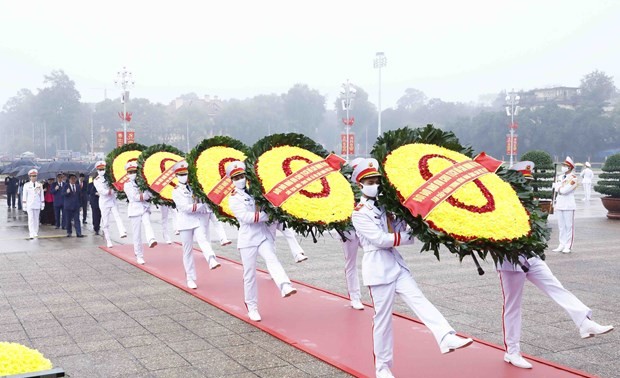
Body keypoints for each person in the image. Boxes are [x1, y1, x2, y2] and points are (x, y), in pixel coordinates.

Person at [350, 158, 472, 378]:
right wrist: (407, 236)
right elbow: (379, 239)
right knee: (383, 320)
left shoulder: (386, 206)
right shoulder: (359, 212)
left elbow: (395, 227)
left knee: (420, 300)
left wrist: (409, 216)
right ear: (360, 185)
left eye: (376, 180)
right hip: (377, 268)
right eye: (369, 181)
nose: (374, 184)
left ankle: (445, 336)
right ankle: (382, 368)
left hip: (395, 264)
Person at [498, 161, 614, 369]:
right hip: (511, 262)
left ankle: (584, 322)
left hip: (531, 255)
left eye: (528, 181)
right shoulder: (500, 202)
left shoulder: (527, 200)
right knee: (513, 306)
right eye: (522, 181)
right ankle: (512, 351)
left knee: (556, 286)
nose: (526, 185)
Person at [227, 160, 297, 322]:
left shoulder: (255, 192)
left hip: (262, 235)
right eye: (236, 177)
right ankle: (252, 307)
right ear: (232, 180)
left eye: (242, 175)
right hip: (247, 239)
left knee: (272, 259)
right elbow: (246, 218)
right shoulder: (234, 198)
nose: (240, 179)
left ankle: (285, 285)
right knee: (249, 274)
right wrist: (268, 215)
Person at [171, 161, 221, 289]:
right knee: (187, 251)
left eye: (185, 174)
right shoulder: (176, 191)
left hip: (196, 220)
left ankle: (211, 259)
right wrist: (201, 206)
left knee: (203, 239)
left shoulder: (194, 187)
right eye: (181, 174)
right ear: (176, 176)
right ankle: (190, 278)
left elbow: (200, 199)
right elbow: (184, 208)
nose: (184, 176)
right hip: (185, 223)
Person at [123, 159, 157, 264]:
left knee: (147, 223)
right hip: (134, 210)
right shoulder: (127, 185)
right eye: (130, 172)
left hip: (144, 207)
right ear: (127, 173)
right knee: (137, 234)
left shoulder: (142, 182)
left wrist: (150, 193)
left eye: (134, 172)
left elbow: (148, 192)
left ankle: (151, 239)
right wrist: (147, 195)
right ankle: (139, 255)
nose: (132, 174)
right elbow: (135, 197)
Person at [92, 161, 128, 247]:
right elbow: (102, 191)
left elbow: (116, 184)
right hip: (104, 202)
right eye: (100, 169)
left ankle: (122, 231)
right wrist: (112, 191)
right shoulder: (96, 180)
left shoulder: (109, 177)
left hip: (112, 200)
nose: (102, 171)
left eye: (103, 169)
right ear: (97, 170)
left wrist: (116, 189)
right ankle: (108, 240)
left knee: (117, 215)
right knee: (106, 222)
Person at [552, 156, 578, 253]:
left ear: (570, 167)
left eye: (565, 166)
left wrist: (557, 187)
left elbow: (564, 190)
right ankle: (561, 244)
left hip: (568, 205)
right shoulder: (559, 177)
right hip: (560, 203)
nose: (563, 167)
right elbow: (559, 189)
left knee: (568, 226)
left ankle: (568, 245)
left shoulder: (573, 178)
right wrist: (558, 188)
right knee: (561, 226)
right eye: (563, 165)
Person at [22, 169, 44, 239]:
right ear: (30, 177)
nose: (34, 177)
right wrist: (24, 204)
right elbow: (24, 195)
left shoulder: (39, 185)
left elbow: (41, 195)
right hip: (30, 204)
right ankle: (31, 232)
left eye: (35, 176)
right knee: (31, 219)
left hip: (37, 204)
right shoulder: (26, 185)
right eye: (32, 176)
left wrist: (42, 203)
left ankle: (35, 232)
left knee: (36, 219)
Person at [63, 174, 84, 238]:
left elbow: (80, 196)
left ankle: (79, 233)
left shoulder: (77, 186)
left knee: (77, 220)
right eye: (72, 179)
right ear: (69, 180)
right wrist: (67, 192)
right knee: (68, 220)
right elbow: (62, 194)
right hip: (68, 206)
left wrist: (80, 205)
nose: (73, 180)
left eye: (74, 179)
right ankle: (69, 232)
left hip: (76, 206)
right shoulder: (66, 186)